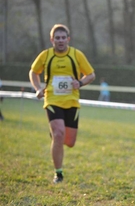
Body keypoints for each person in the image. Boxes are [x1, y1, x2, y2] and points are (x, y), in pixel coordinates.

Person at [29, 24, 95, 183]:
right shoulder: (46, 55)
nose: (60, 40)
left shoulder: (76, 54)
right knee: (59, 135)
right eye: (57, 38)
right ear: (52, 39)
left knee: (69, 142)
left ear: (68, 39)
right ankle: (58, 173)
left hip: (72, 101)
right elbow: (33, 72)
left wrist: (80, 82)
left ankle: (56, 134)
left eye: (63, 37)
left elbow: (91, 75)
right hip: (52, 100)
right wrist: (38, 88)